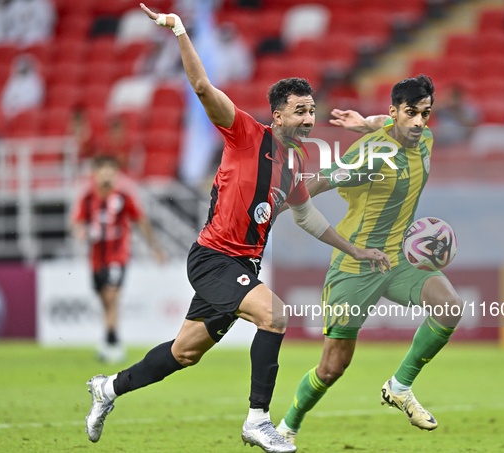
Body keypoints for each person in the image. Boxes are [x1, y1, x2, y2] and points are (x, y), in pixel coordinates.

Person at [83, 4, 391, 453]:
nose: (309, 119)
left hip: (239, 265)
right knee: (275, 314)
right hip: (214, 259)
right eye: (300, 111)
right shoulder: (246, 132)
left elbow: (306, 216)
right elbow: (203, 87)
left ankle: (107, 389)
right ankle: (258, 420)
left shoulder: (295, 161)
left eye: (312, 111)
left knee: (183, 353)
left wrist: (355, 250)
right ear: (278, 115)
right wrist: (181, 31)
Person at [276, 75, 463, 445]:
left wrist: (366, 120)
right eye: (410, 113)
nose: (418, 122)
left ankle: (399, 386)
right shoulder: (371, 153)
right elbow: (320, 181)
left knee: (450, 308)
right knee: (332, 368)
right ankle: (286, 427)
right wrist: (273, 209)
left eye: (425, 113)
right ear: (396, 111)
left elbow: (387, 122)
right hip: (355, 264)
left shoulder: (422, 138)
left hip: (399, 259)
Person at [71, 156, 166, 363]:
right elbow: (77, 222)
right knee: (105, 300)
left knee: (112, 296)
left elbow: (141, 221)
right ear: (95, 174)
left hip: (118, 256)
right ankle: (110, 340)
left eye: (110, 171)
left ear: (116, 174)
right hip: (96, 259)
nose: (106, 175)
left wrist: (155, 249)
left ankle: (112, 342)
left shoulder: (123, 196)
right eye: (102, 171)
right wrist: (80, 231)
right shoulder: (87, 198)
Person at [0, 54, 45, 119]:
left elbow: (35, 100)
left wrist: (19, 109)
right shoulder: (13, 82)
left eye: (24, 70)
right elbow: (4, 100)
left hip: (27, 115)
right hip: (11, 113)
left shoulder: (35, 82)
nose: (21, 72)